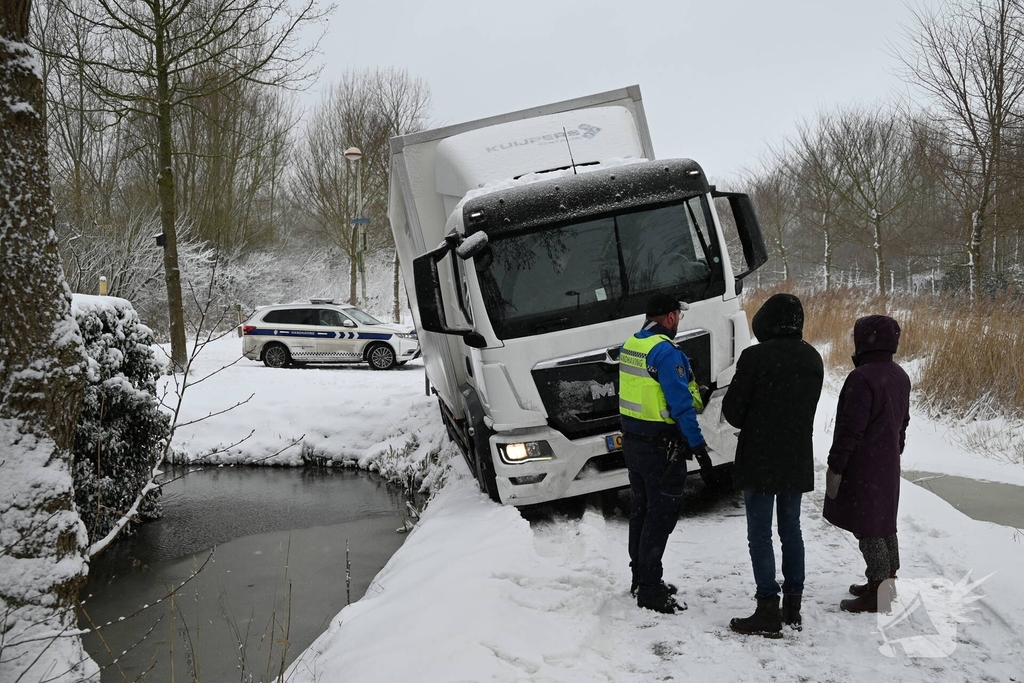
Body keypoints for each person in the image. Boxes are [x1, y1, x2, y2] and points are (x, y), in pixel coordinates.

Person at [723, 293, 824, 638]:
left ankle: (767, 606)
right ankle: (792, 606)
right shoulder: (813, 357)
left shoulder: (754, 357)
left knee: (760, 533)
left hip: (759, 457)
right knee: (791, 529)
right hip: (795, 455)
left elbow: (734, 413)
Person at [619, 293, 712, 614]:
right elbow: (682, 406)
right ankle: (650, 589)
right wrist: (699, 448)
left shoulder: (633, 344)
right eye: (679, 317)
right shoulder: (665, 352)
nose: (678, 322)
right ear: (671, 317)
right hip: (662, 450)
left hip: (634, 443)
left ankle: (640, 577)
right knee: (659, 518)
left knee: (641, 512)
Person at [823, 314, 911, 614]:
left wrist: (836, 464)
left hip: (864, 465)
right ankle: (888, 580)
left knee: (868, 527)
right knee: (885, 523)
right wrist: (893, 450)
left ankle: (878, 591)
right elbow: (903, 423)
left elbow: (851, 428)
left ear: (863, 341)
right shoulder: (899, 374)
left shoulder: (861, 377)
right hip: (887, 463)